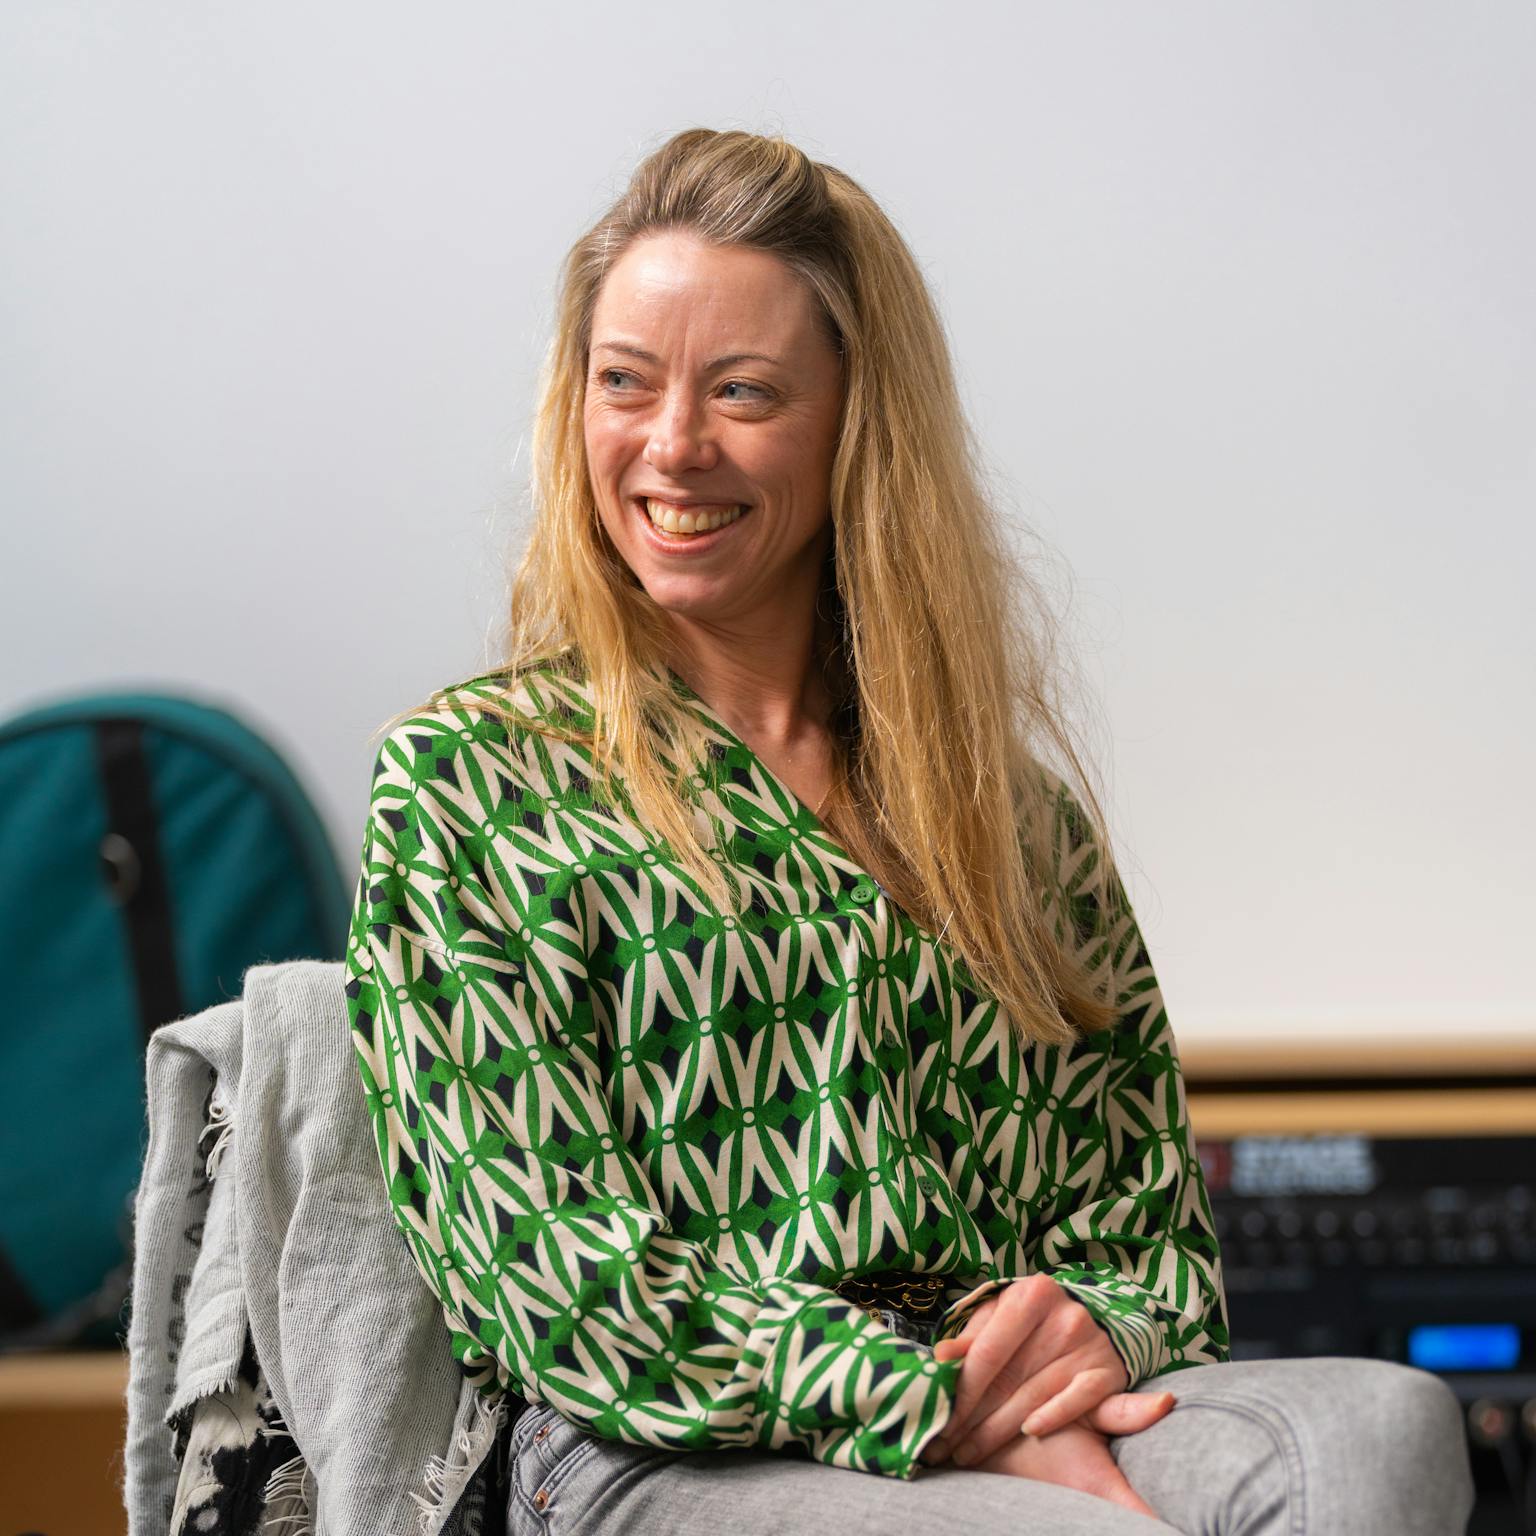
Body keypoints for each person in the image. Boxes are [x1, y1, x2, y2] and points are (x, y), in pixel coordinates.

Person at [346, 129, 1474, 1534]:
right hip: (668, 1448)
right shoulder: (473, 782)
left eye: (742, 391)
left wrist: (1094, 1336)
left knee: (1385, 1429)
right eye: (623, 382)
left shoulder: (1004, 814)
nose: (670, 444)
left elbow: (1157, 1247)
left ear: (854, 422)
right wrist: (921, 1403)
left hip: (995, 1397)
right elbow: (559, 1284)